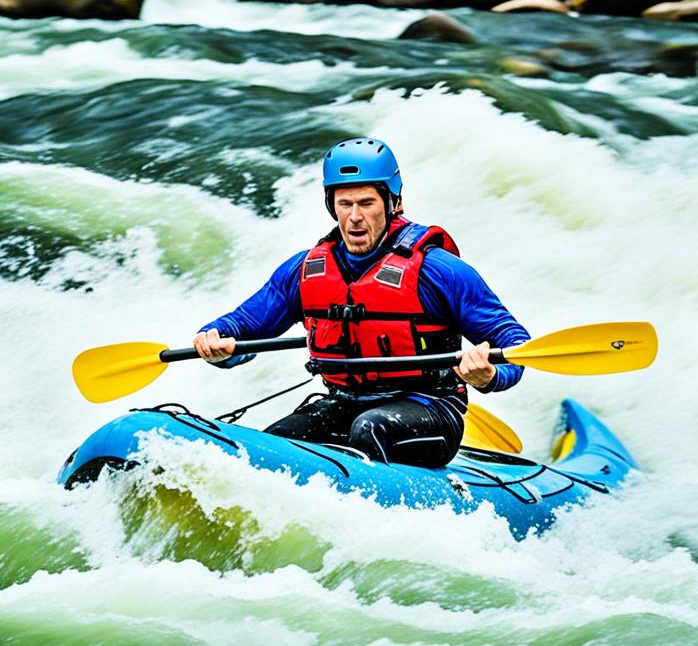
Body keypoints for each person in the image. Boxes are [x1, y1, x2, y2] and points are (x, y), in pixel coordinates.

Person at [194, 137, 529, 467]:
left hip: (430, 408)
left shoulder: (440, 271)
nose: (354, 216)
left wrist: (488, 376)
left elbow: (515, 344)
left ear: (392, 202)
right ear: (332, 206)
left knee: (370, 429)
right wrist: (214, 339)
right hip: (343, 403)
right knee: (279, 439)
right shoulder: (304, 271)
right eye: (345, 204)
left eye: (366, 203)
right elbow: (243, 327)